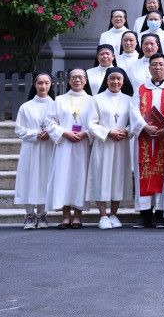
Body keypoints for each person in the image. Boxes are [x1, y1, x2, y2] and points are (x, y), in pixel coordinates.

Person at [129, 53, 164, 229]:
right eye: (154, 64)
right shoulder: (141, 89)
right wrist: (145, 127)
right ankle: (145, 214)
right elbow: (134, 111)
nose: (157, 67)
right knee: (145, 173)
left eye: (161, 64)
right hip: (145, 138)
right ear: (149, 68)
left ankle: (161, 214)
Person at [86, 67, 133, 229]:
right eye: (112, 78)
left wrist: (126, 131)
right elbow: (91, 124)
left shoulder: (129, 99)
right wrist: (108, 132)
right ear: (106, 80)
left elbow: (133, 122)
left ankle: (114, 214)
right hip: (103, 144)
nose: (115, 82)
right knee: (101, 178)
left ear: (123, 81)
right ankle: (103, 215)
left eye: (119, 79)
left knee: (118, 178)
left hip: (121, 145)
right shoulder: (97, 99)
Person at [46, 69, 93, 228]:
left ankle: (78, 216)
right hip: (64, 144)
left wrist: (86, 133)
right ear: (68, 80)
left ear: (86, 80)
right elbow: (50, 122)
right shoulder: (58, 100)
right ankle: (66, 216)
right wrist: (64, 132)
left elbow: (96, 122)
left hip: (82, 145)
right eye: (74, 77)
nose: (77, 80)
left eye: (80, 77)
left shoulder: (92, 101)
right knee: (63, 178)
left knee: (79, 178)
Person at [13, 72, 56, 229]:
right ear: (35, 85)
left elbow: (60, 126)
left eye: (46, 83)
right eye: (40, 83)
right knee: (29, 178)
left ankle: (42, 215)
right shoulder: (26, 107)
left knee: (45, 179)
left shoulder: (56, 105)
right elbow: (19, 129)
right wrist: (35, 133)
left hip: (48, 147)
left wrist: (50, 134)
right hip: (31, 147)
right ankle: (29, 215)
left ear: (51, 85)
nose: (43, 86)